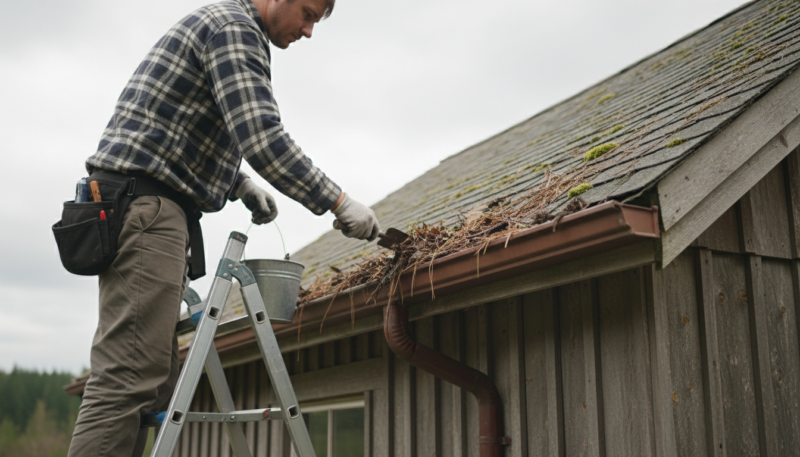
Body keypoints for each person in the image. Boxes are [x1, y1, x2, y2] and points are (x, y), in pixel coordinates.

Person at [67, 0, 379, 455]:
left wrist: (237, 183)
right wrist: (337, 201)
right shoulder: (235, 29)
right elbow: (264, 137)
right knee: (128, 379)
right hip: (148, 211)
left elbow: (173, 124)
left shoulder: (223, 25)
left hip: (148, 207)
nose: (309, 31)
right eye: (308, 14)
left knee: (148, 385)